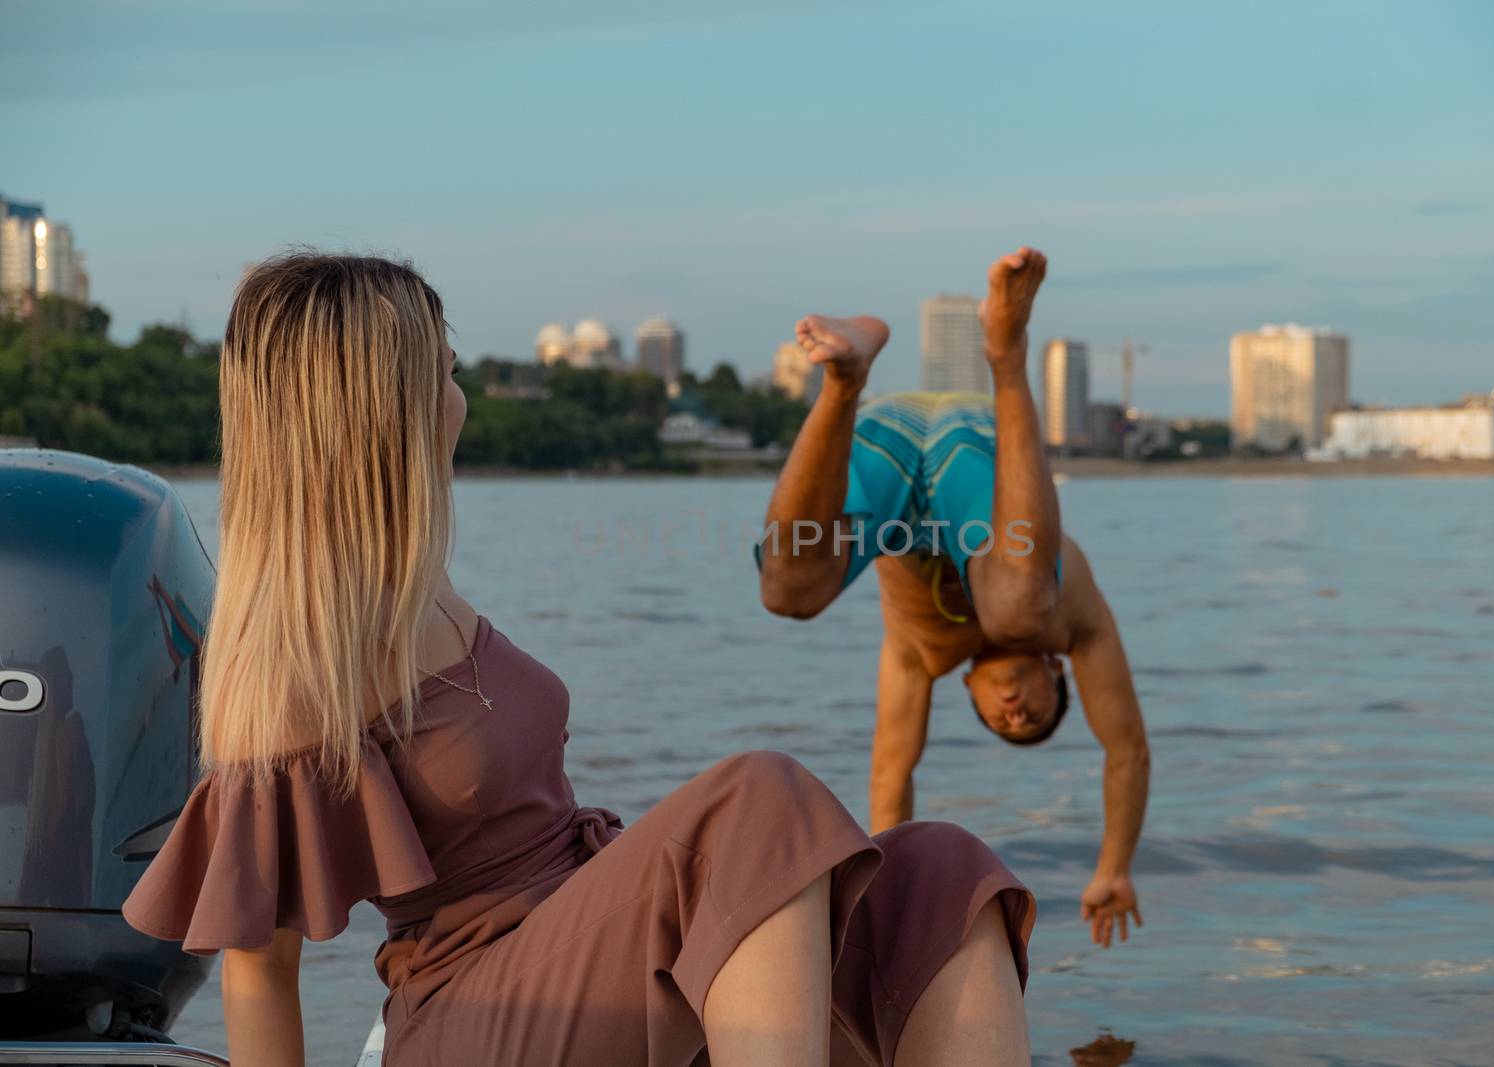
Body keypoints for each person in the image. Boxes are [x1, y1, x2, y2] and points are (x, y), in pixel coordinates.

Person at [121, 253, 1036, 1066]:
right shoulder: (301, 648)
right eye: (446, 370)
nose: (462, 394)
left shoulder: (417, 580)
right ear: (384, 403)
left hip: (580, 938)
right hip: (476, 1008)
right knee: (762, 799)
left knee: (938, 875)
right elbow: (259, 969)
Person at [757, 247, 1150, 950]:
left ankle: (844, 380)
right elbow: (1126, 749)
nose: (1016, 714)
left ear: (967, 690)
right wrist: (1115, 866)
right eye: (1035, 715)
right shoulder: (1076, 625)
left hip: (888, 456)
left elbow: (890, 774)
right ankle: (1006, 351)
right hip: (975, 446)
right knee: (1017, 611)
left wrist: (879, 911)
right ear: (1056, 673)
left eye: (1006, 725)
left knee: (788, 592)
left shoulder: (921, 652)